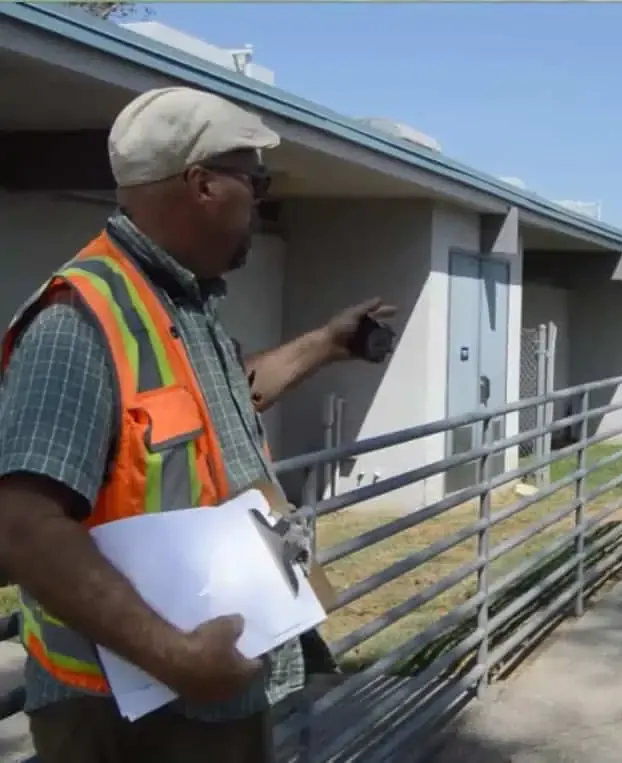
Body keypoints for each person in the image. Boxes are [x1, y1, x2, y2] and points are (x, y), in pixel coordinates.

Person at [0, 87, 396, 763]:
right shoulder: (77, 322)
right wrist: (174, 656)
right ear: (202, 184)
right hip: (129, 714)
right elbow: (22, 526)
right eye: (255, 182)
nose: (261, 202)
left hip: (206, 688)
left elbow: (227, 402)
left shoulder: (180, 303)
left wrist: (328, 344)